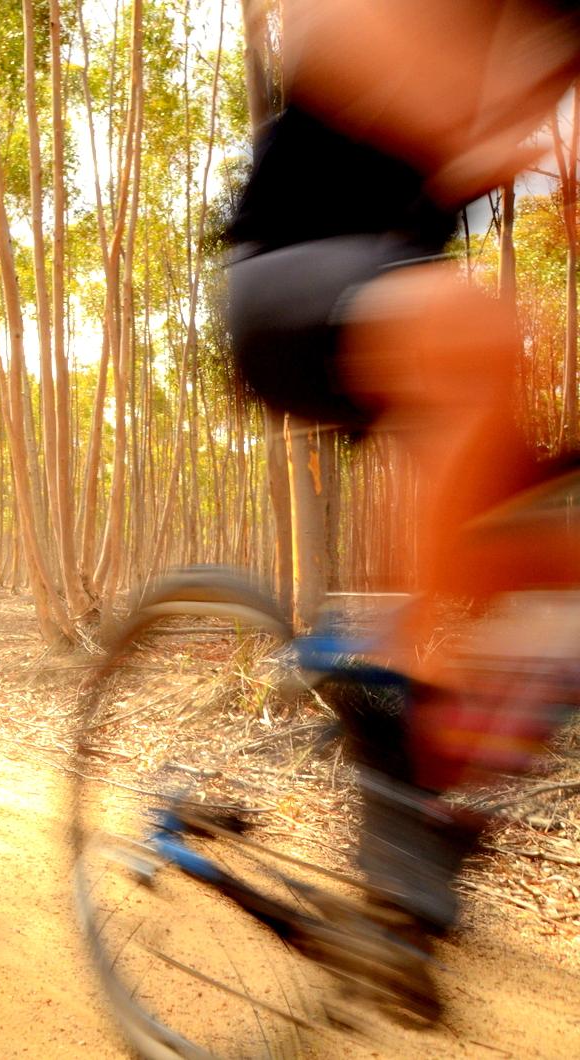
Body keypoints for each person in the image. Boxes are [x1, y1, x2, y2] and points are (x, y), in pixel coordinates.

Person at [224, 0, 580, 985]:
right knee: (485, 327)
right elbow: (337, 34)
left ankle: (431, 812)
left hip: (408, 315)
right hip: (286, 284)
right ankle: (395, 700)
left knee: (553, 557)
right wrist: (509, 128)